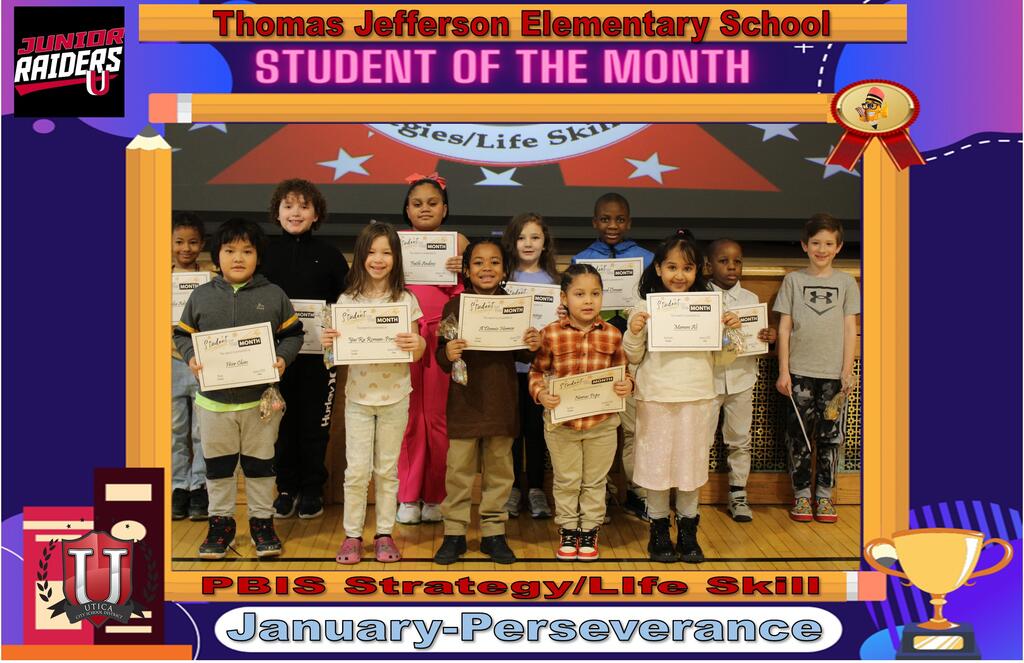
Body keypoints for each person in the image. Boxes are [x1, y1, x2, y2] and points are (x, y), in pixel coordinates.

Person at [174, 218, 304, 559]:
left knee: (261, 466)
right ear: (217, 256)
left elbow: (294, 334)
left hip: (259, 403)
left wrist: (282, 358)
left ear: (258, 257)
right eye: (230, 250)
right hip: (213, 404)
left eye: (247, 251)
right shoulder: (201, 296)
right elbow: (182, 334)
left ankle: (262, 522)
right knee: (218, 468)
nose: (238, 258)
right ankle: (221, 524)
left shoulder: (273, 295)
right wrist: (191, 357)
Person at [624, 230, 742, 564]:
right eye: (672, 267)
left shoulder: (711, 308)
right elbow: (632, 356)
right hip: (655, 399)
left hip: (697, 398)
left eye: (687, 268)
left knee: (690, 468)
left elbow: (723, 358)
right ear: (658, 268)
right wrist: (634, 332)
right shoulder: (643, 308)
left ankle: (689, 532)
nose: (679, 275)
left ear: (698, 271)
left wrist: (730, 332)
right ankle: (659, 531)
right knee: (656, 468)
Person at [433, 239, 541, 564]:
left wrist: (533, 344)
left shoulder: (515, 306)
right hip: (464, 404)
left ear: (505, 269)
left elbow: (523, 354)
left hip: (501, 404)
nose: (487, 268)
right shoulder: (454, 306)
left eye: (494, 262)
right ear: (466, 270)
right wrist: (448, 352)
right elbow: (441, 355)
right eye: (478, 262)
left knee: (499, 473)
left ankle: (494, 533)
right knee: (458, 472)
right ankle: (454, 533)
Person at [325, 223, 425, 565]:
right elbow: (334, 355)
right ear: (360, 256)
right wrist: (329, 344)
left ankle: (384, 533)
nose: (378, 259)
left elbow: (418, 352)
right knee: (356, 471)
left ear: (396, 257)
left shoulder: (405, 300)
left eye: (386, 252)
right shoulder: (346, 300)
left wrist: (417, 342)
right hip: (358, 398)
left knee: (386, 470)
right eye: (371, 252)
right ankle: (352, 535)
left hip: (396, 396)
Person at [529, 264, 634, 562]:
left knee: (595, 481)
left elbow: (624, 372)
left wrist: (628, 384)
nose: (588, 301)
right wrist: (541, 393)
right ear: (564, 298)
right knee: (567, 480)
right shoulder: (550, 334)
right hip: (561, 425)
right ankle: (568, 529)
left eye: (595, 294)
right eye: (579, 294)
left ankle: (589, 530)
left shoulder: (613, 335)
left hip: (602, 424)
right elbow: (537, 372)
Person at [261, 179, 349, 520]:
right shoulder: (264, 254)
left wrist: (336, 330)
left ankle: (312, 488)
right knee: (279, 425)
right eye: (288, 206)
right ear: (277, 213)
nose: (295, 213)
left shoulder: (330, 256)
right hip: (276, 358)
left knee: (315, 425)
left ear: (316, 214)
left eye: (303, 206)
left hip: (319, 359)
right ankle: (286, 488)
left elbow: (345, 303)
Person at [774, 214, 860, 524]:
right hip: (799, 374)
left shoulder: (846, 283)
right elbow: (784, 328)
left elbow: (850, 329)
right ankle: (801, 494)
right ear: (804, 245)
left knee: (830, 438)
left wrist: (847, 371)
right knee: (798, 437)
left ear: (838, 247)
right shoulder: (793, 281)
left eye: (828, 244)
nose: (821, 249)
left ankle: (824, 496)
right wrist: (784, 371)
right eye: (815, 243)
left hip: (833, 377)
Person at [573, 193, 654, 522]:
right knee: (598, 428)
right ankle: (601, 491)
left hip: (635, 357)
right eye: (605, 219)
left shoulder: (647, 259)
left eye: (619, 219)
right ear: (595, 222)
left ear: (629, 222)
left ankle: (637, 491)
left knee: (635, 429)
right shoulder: (582, 260)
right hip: (595, 356)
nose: (612, 225)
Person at [397, 174, 468, 525]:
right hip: (406, 336)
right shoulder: (395, 244)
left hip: (442, 338)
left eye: (432, 203)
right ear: (407, 210)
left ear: (445, 209)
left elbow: (469, 292)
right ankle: (408, 496)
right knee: (409, 417)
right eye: (417, 203)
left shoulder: (457, 244)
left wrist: (463, 266)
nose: (424, 209)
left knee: (438, 419)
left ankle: (437, 495)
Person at [706, 238, 777, 523]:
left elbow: (757, 338)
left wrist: (767, 337)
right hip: (706, 381)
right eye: (724, 261)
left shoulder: (750, 300)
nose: (732, 267)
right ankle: (691, 495)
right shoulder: (699, 297)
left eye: (737, 261)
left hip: (741, 379)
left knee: (740, 440)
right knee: (701, 440)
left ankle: (738, 494)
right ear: (708, 266)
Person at [500, 212, 558, 520]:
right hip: (509, 371)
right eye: (521, 237)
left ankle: (536, 489)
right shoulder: (503, 280)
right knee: (511, 433)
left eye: (535, 237)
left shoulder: (554, 282)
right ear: (512, 242)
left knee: (537, 432)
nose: (528, 243)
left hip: (541, 373)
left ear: (545, 242)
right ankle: (512, 489)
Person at [171, 212, 215, 521]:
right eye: (179, 242)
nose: (186, 248)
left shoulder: (211, 279)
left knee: (202, 428)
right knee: (175, 429)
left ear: (202, 244)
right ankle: (178, 487)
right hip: (170, 361)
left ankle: (199, 485)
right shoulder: (156, 278)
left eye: (193, 242)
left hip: (202, 362)